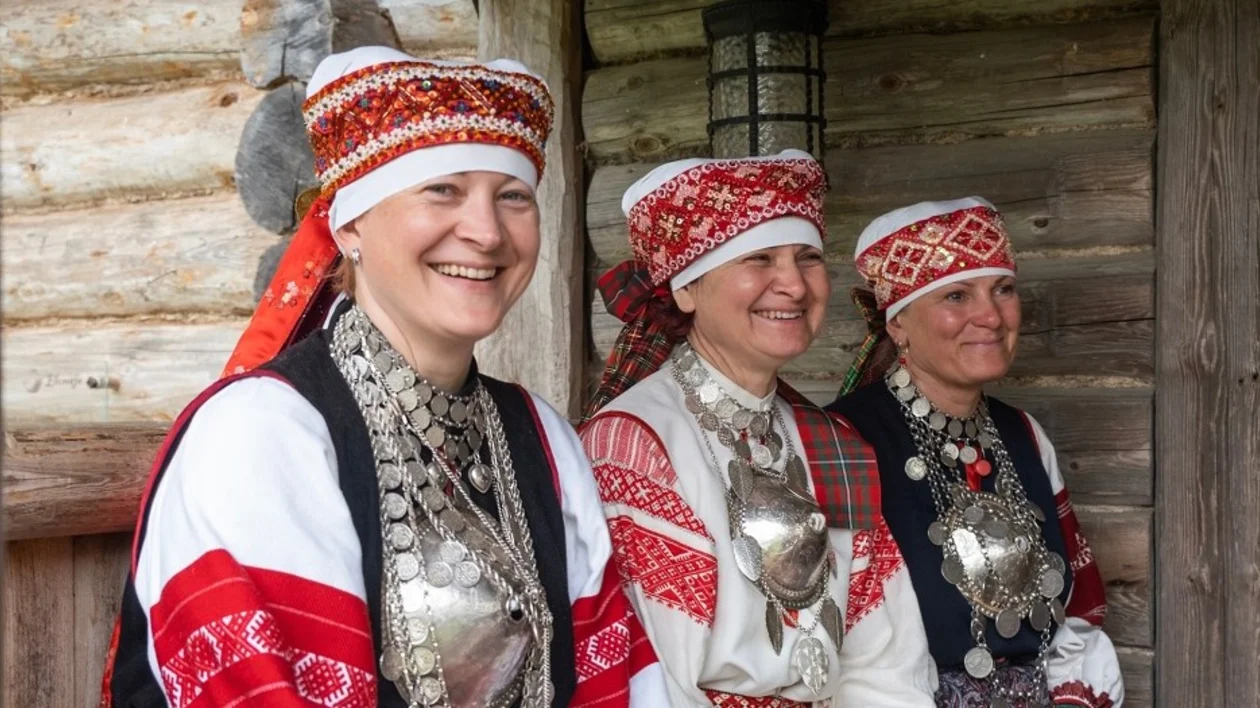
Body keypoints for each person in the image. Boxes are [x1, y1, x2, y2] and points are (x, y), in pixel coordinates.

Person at [100, 46, 666, 707]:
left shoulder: (545, 440)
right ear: (350, 226)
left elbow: (615, 686)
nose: (486, 232)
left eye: (512, 196)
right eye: (442, 190)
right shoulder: (259, 437)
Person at [579, 151, 938, 706]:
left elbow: (888, 659)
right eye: (760, 258)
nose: (793, 284)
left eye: (808, 257)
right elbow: (658, 681)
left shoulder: (833, 445)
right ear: (685, 289)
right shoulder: (633, 443)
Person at [827, 198, 1124, 707]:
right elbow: (836, 637)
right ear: (896, 323)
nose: (989, 315)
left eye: (1003, 289)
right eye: (957, 296)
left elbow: (1079, 608)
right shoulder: (844, 441)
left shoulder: (1023, 434)